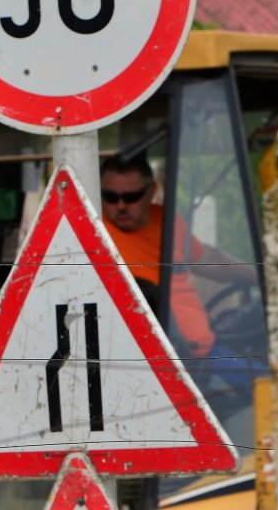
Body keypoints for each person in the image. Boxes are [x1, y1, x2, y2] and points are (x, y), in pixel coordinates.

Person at [98, 152, 255, 357]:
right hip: (156, 359)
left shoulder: (168, 222)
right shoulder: (94, 230)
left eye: (131, 197)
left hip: (204, 353)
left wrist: (260, 276)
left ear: (152, 191)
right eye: (110, 197)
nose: (121, 206)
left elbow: (208, 260)